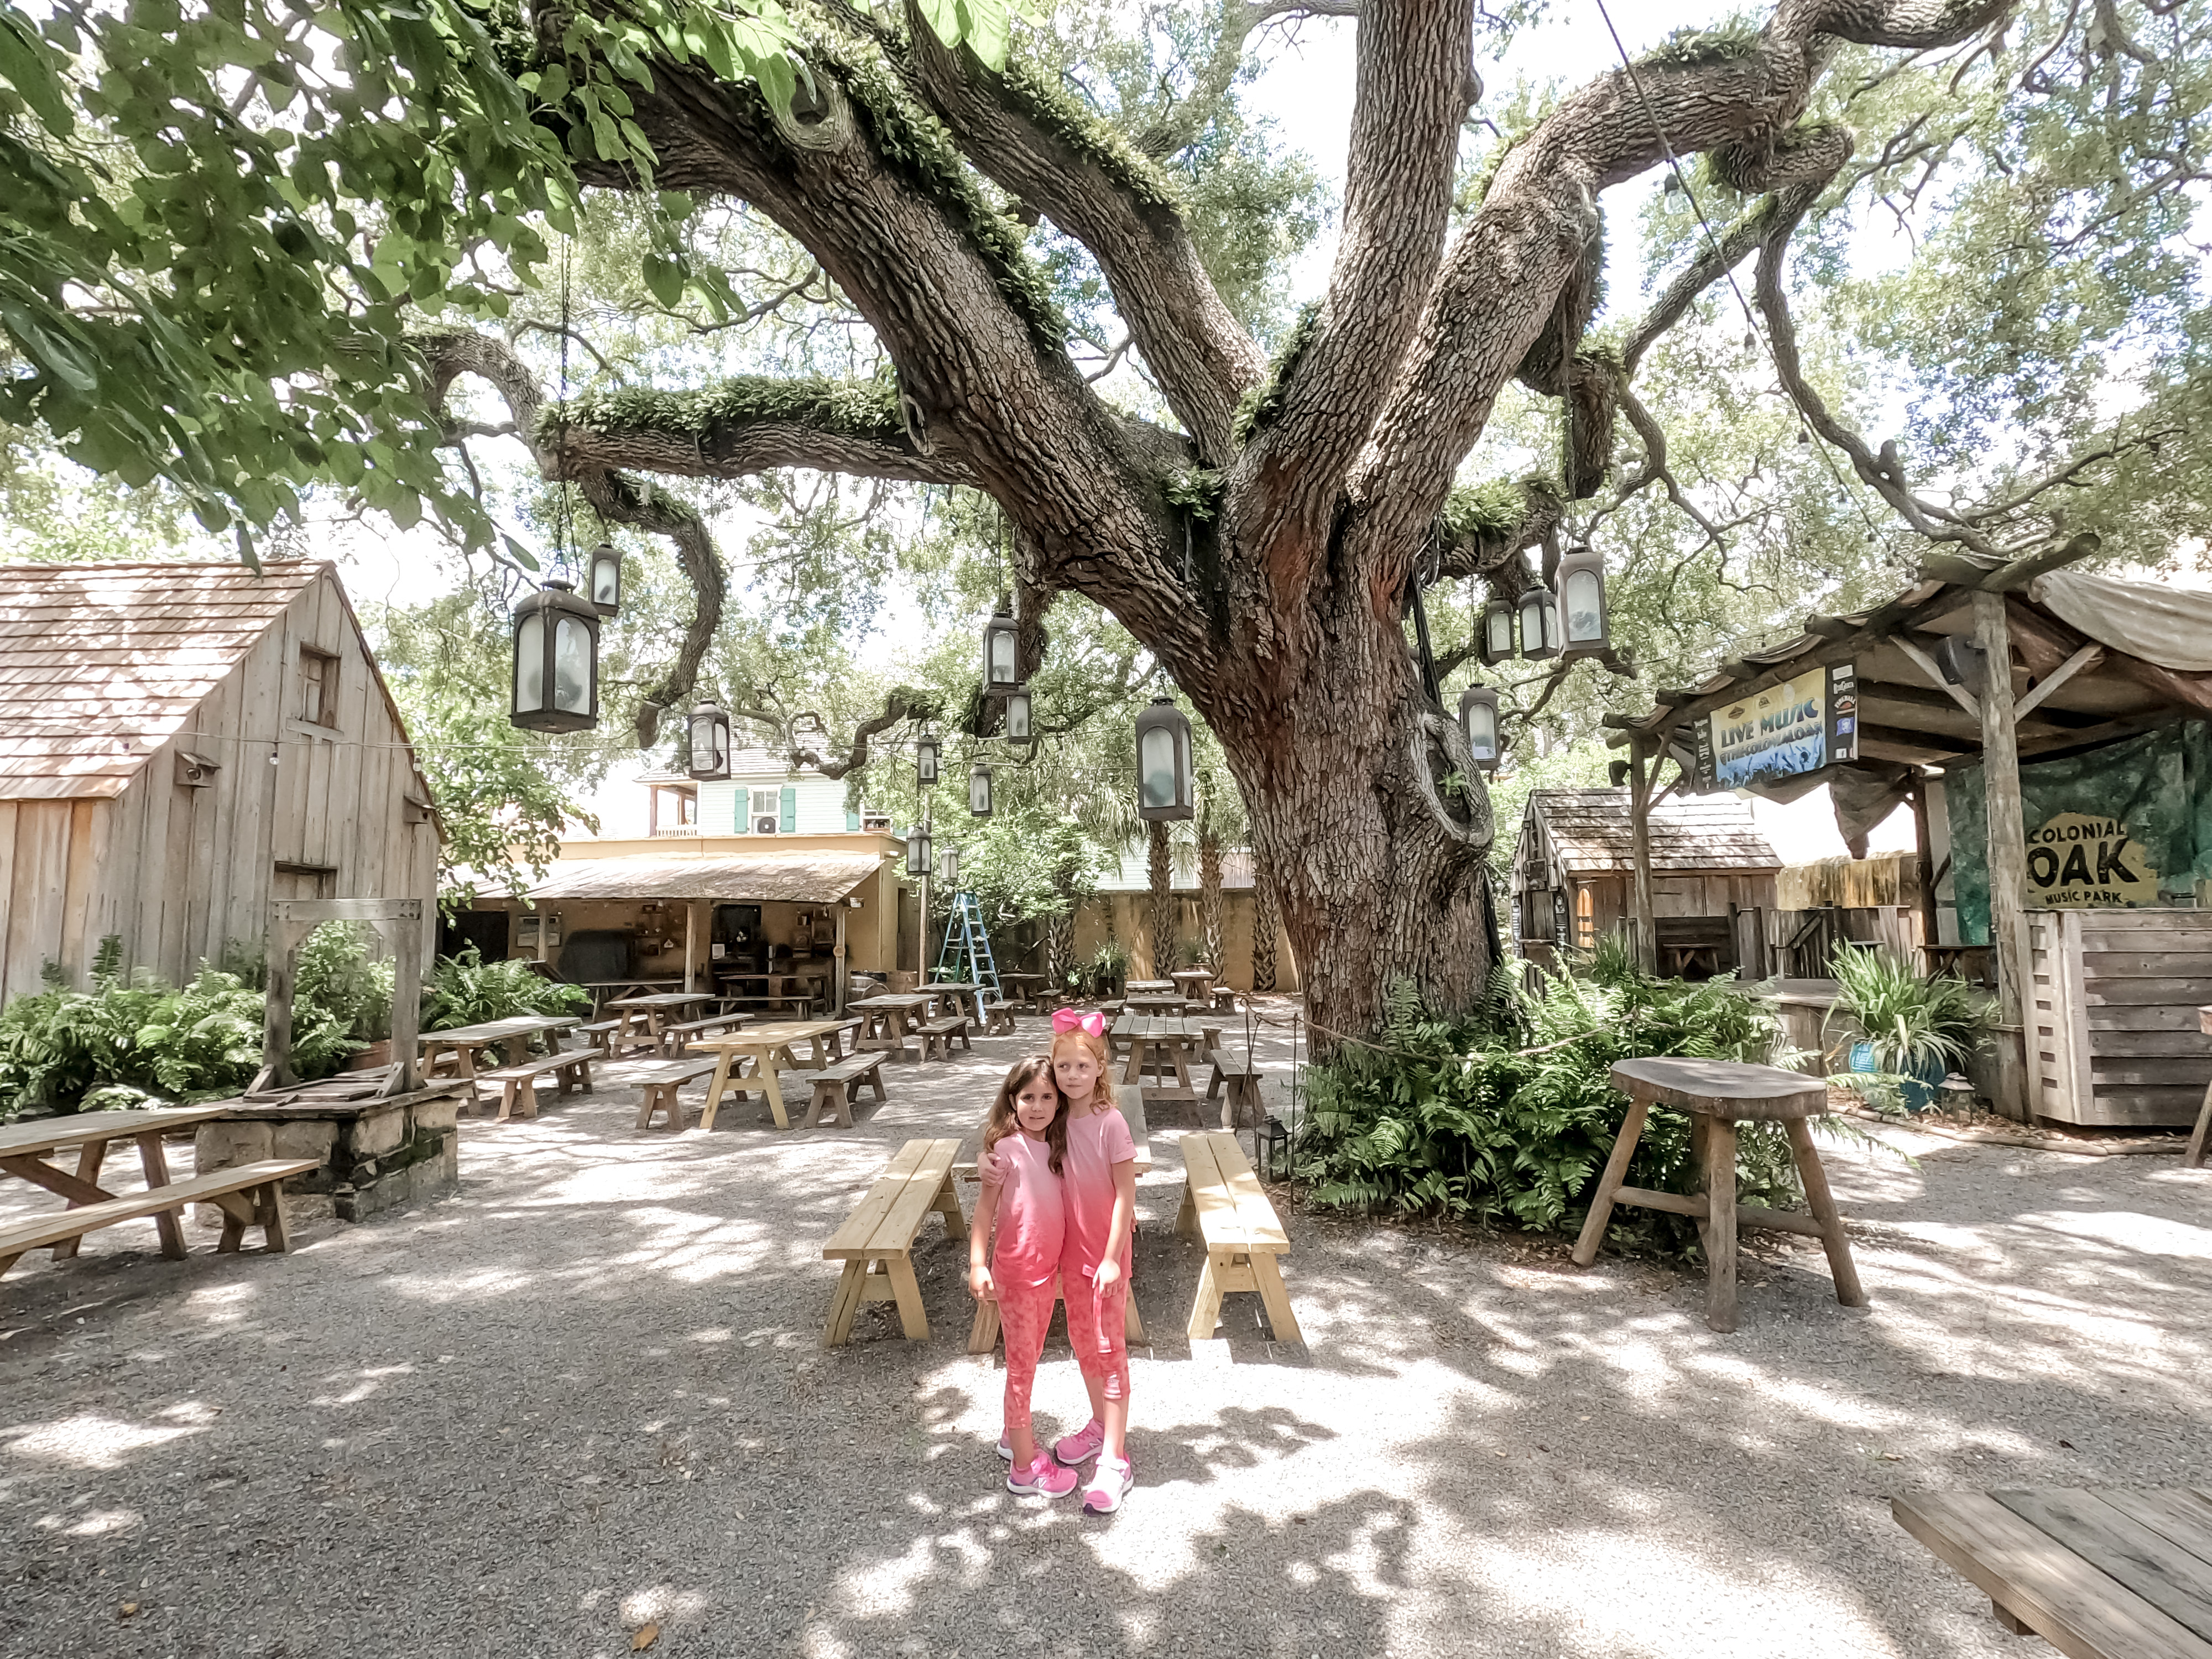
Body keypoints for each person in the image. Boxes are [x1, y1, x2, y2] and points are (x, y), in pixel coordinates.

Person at [968, 1056, 1076, 1498]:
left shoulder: (1057, 1145)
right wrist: (977, 1263)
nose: (1037, 1105)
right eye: (1028, 1097)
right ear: (1012, 1101)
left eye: (1047, 1096)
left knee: (1027, 1362)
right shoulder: (1006, 1150)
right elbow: (983, 1210)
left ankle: (1010, 1439)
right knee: (1021, 1369)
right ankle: (1025, 1471)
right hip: (1016, 1276)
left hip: (1045, 1275)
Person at [1047, 1008, 1139, 1514]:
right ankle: (1100, 1423)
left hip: (1104, 1259)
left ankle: (1115, 1458)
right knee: (1083, 1345)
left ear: (1099, 1068)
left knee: (1110, 1351)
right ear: (1053, 1068)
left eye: (1083, 1066)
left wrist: (1110, 1257)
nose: (1073, 1076)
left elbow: (1126, 1197)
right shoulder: (1055, 1121)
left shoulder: (1111, 1123)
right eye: (1064, 1067)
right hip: (1070, 1255)